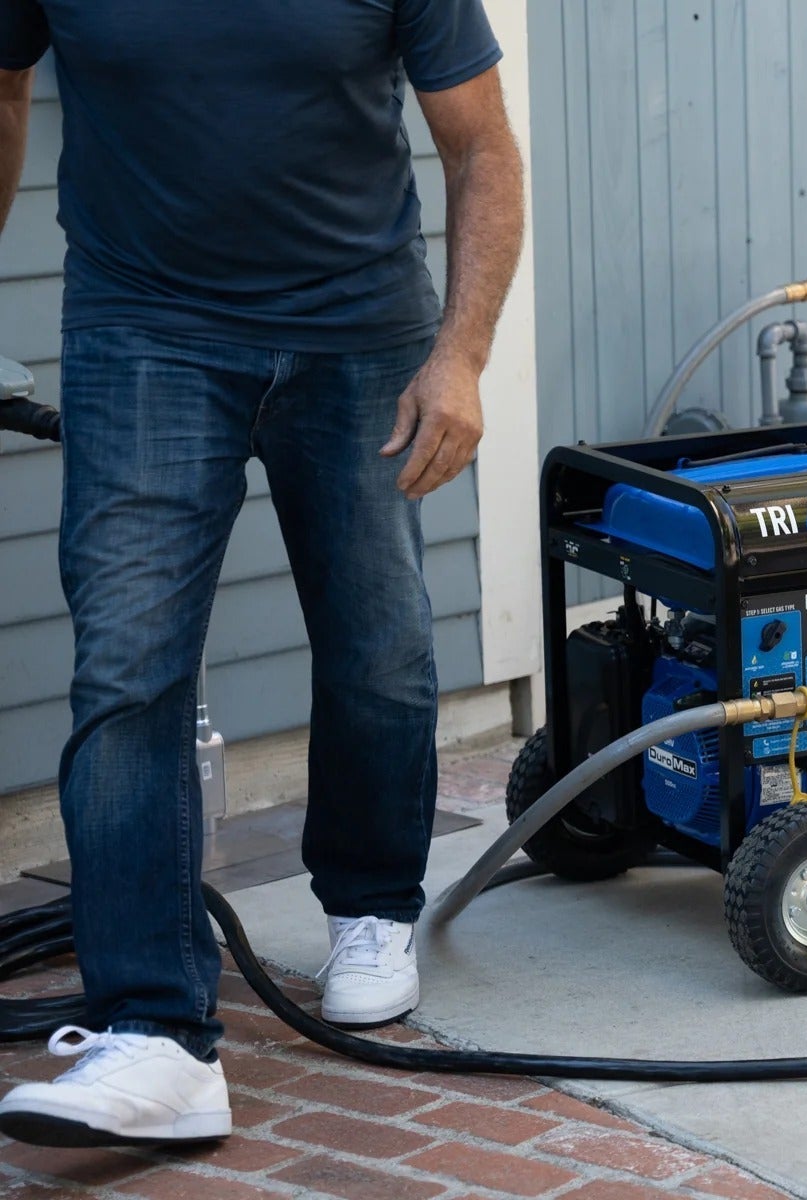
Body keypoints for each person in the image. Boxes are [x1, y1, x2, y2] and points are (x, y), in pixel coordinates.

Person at [0, 0, 524, 1147]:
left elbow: (481, 144)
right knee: (127, 668)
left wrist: (462, 356)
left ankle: (372, 906)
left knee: (377, 644)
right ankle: (154, 1031)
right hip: (142, 327)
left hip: (360, 330)